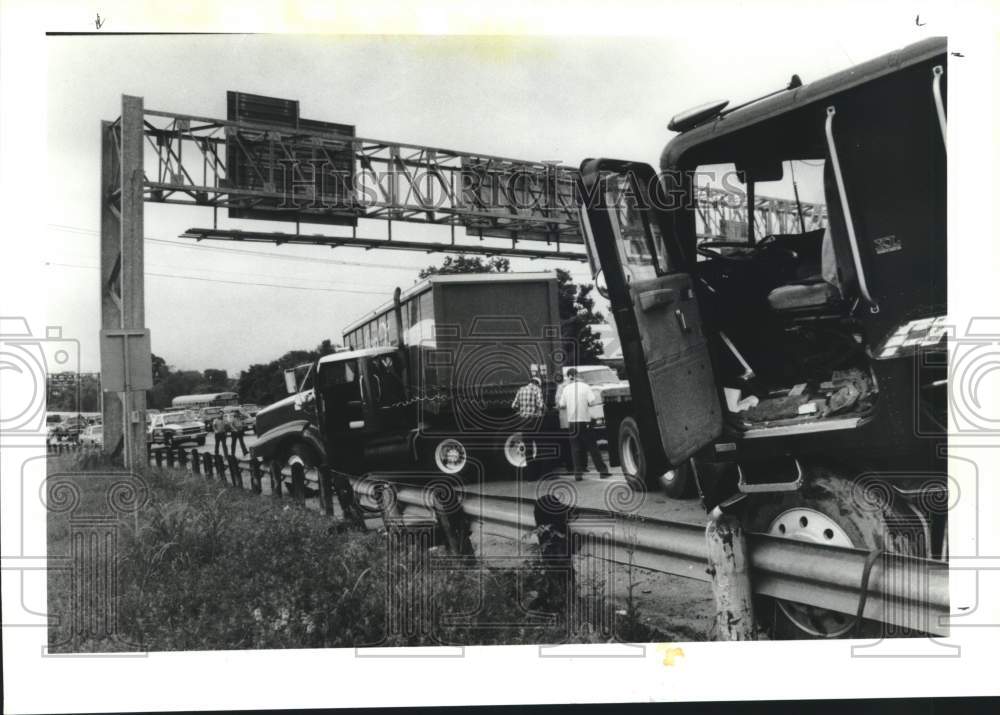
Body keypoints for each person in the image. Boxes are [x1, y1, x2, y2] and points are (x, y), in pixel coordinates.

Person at [557, 367, 610, 481]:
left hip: (572, 422)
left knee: (575, 448)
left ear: (569, 377)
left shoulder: (566, 389)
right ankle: (602, 471)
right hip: (585, 420)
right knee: (592, 447)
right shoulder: (585, 387)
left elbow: (561, 405)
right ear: (577, 375)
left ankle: (578, 474)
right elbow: (592, 401)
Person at [511, 376, 544, 479]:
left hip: (523, 421)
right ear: (537, 383)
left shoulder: (521, 389)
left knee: (528, 447)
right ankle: (538, 473)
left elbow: (513, 405)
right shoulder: (537, 390)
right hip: (534, 421)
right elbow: (541, 405)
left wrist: (521, 411)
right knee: (537, 447)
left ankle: (530, 476)